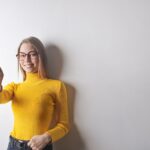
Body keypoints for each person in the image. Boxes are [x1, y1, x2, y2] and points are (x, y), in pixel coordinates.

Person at [0, 36, 70, 150]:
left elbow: (64, 125)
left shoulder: (56, 86)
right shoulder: (14, 87)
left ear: (41, 56)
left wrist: (46, 137)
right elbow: (1, 98)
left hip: (39, 147)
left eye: (32, 54)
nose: (26, 60)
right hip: (13, 145)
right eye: (22, 55)